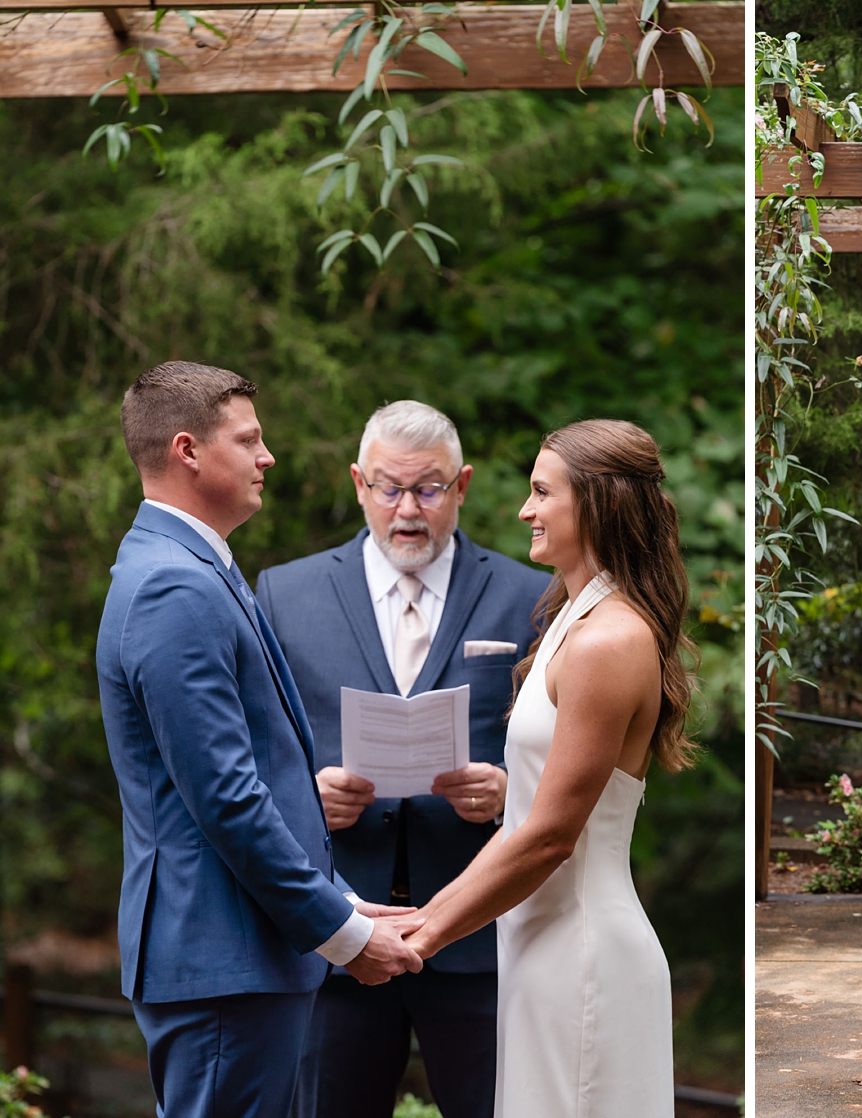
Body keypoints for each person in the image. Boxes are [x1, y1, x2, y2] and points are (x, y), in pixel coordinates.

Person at [96, 362, 423, 1118]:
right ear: (187, 450)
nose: (267, 456)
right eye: (248, 439)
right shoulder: (173, 585)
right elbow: (225, 800)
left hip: (241, 955)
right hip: (223, 961)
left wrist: (337, 895)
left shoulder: (190, 566)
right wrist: (340, 934)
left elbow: (256, 781)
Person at [255, 401, 550, 1118]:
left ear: (464, 486)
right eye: (389, 488)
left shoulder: (531, 595)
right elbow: (250, 756)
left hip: (480, 936)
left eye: (429, 489)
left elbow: (565, 755)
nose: (407, 510)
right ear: (358, 483)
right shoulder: (283, 594)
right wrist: (305, 794)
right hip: (337, 932)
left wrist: (511, 790)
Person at [401, 418, 694, 1117]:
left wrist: (422, 938)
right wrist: (423, 919)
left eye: (542, 492)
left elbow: (550, 835)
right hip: (539, 947)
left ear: (599, 503)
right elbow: (526, 820)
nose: (525, 510)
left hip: (585, 953)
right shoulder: (570, 619)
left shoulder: (609, 641)